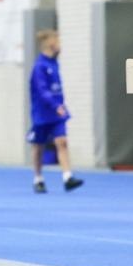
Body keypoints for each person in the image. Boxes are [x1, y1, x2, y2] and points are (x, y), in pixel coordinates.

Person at [28, 29, 84, 194]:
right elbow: (42, 91)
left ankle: (68, 177)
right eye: (58, 42)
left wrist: (60, 106)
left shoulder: (54, 64)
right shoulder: (40, 66)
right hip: (42, 113)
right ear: (52, 45)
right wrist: (55, 105)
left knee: (62, 142)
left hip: (57, 113)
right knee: (39, 147)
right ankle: (38, 178)